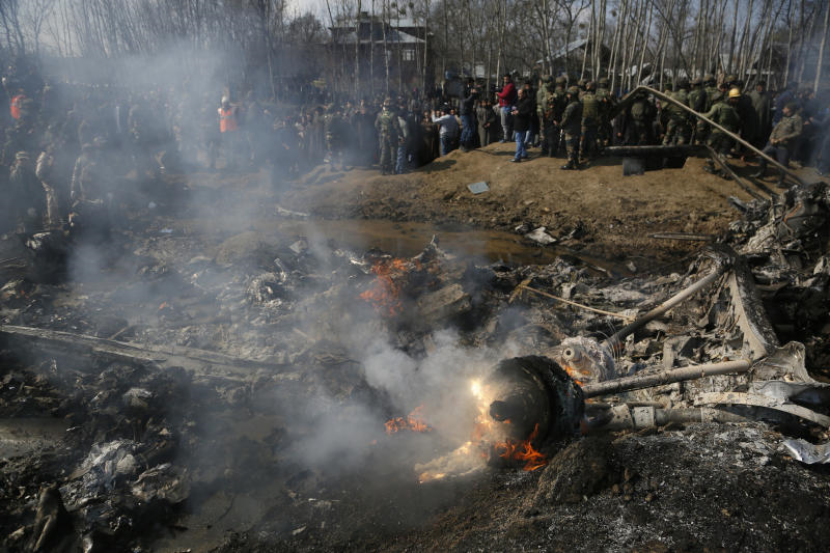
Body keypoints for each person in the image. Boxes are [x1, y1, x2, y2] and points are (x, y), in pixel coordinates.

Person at [751, 102, 803, 187]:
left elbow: (798, 132)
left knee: (782, 164)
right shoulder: (784, 117)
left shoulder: (797, 119)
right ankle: (762, 172)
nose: (783, 110)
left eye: (785, 108)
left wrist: (785, 138)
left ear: (789, 110)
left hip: (784, 146)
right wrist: (771, 138)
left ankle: (781, 181)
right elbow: (776, 128)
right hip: (774, 143)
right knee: (762, 155)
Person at [702, 87, 741, 175]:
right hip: (728, 133)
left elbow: (708, 115)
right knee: (723, 152)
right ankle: (724, 171)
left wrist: (697, 115)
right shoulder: (730, 108)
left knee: (710, 149)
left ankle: (710, 167)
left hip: (717, 132)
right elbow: (737, 119)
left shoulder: (717, 106)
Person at [662, 78, 691, 146]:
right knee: (681, 136)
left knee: (668, 135)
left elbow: (664, 106)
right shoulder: (688, 96)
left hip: (673, 118)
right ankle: (679, 149)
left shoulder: (673, 95)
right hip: (683, 118)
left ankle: (663, 147)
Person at [375, 98, 400, 174]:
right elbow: (396, 126)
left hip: (383, 135)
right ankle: (393, 169)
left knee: (384, 152)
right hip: (391, 135)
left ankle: (382, 169)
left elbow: (376, 125)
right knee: (393, 151)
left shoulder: (379, 114)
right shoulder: (393, 114)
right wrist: (399, 135)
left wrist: (380, 131)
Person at [560, 86, 582, 170]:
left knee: (570, 146)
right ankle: (576, 162)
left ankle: (570, 163)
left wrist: (560, 125)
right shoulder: (579, 104)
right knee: (575, 146)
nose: (568, 96)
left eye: (569, 94)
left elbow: (566, 118)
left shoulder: (571, 106)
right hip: (577, 128)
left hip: (570, 129)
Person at [510, 88, 533, 163]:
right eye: (518, 93)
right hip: (518, 122)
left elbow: (527, 112)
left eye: (520, 93)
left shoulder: (528, 101)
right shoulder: (519, 100)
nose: (518, 95)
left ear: (524, 94)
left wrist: (518, 112)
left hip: (522, 123)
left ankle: (517, 157)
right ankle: (524, 154)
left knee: (519, 140)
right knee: (520, 140)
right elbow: (514, 106)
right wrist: (513, 110)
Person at [217, 95, 240, 169]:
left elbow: (238, 109)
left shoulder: (233, 109)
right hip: (224, 131)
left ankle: (234, 163)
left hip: (232, 131)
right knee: (227, 148)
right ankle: (228, 163)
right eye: (224, 103)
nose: (225, 105)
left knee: (233, 147)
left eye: (226, 103)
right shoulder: (220, 110)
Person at [579, 81, 600, 162]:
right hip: (594, 121)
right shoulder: (597, 98)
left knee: (582, 138)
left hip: (584, 121)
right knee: (592, 138)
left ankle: (580, 154)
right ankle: (591, 155)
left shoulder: (582, 98)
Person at [749, 80, 772, 145]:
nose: (760, 88)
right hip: (753, 117)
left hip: (763, 118)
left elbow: (769, 108)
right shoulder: (752, 94)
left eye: (762, 87)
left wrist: (768, 119)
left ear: (764, 87)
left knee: (760, 132)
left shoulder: (767, 95)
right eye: (759, 86)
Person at [496, 74, 517, 142]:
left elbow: (504, 95)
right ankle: (507, 136)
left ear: (510, 79)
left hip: (507, 106)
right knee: (505, 123)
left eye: (507, 79)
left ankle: (506, 137)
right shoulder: (506, 85)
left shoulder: (510, 85)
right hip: (504, 105)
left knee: (504, 123)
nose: (505, 80)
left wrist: (498, 94)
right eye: (504, 79)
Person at [459, 83, 478, 152]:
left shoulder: (469, 91)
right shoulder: (462, 92)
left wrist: (476, 92)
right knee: (467, 129)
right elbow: (465, 102)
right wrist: (472, 94)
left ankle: (467, 144)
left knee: (472, 129)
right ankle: (462, 144)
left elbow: (476, 97)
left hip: (470, 113)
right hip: (464, 113)